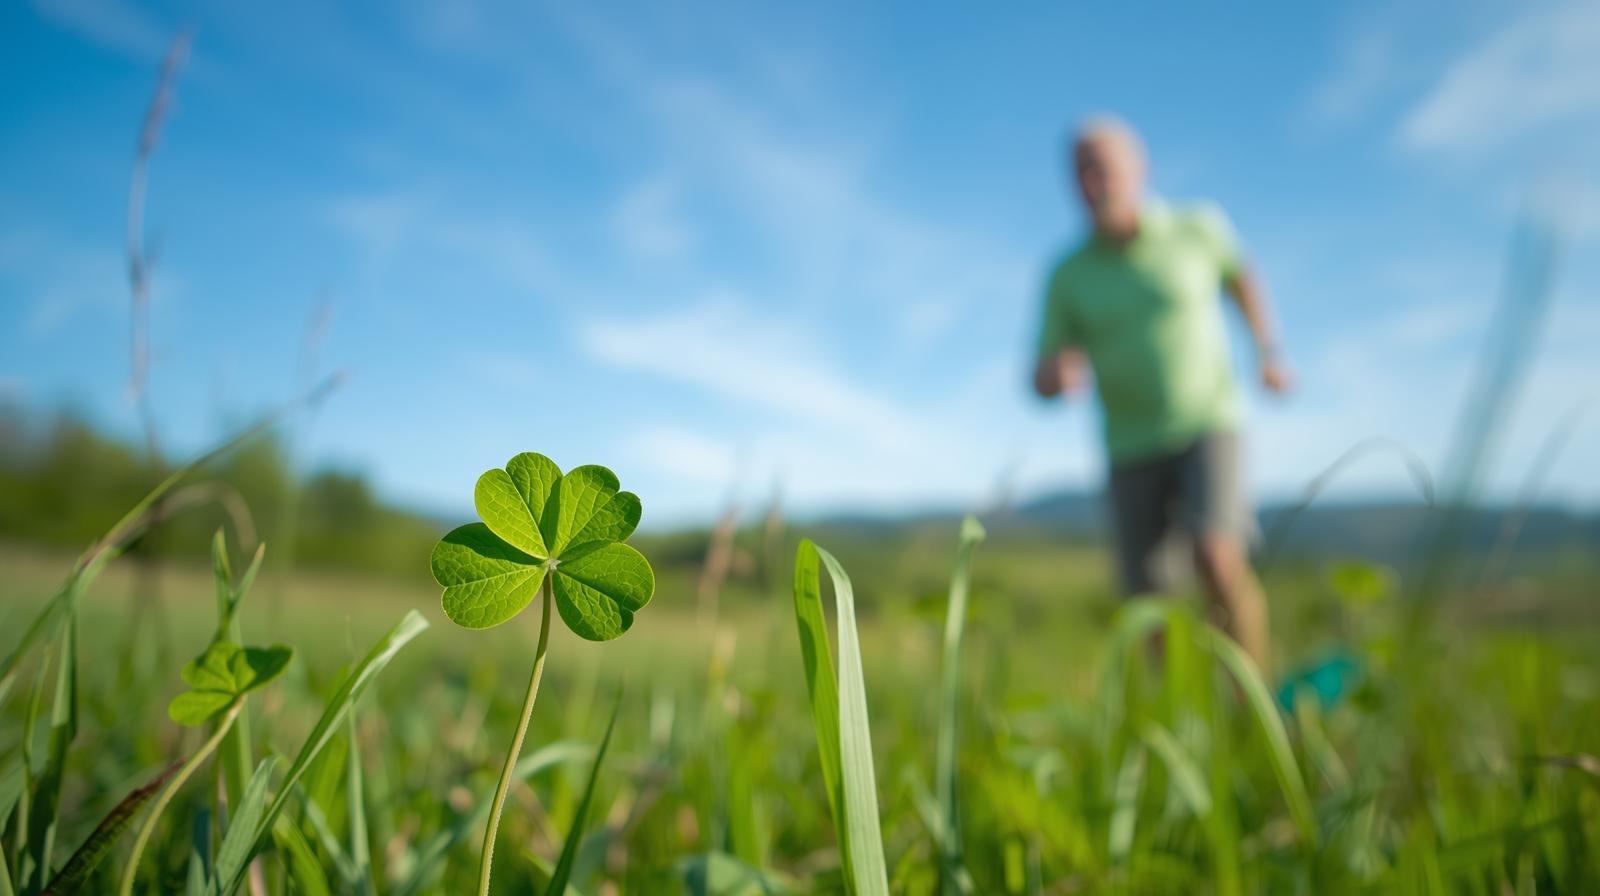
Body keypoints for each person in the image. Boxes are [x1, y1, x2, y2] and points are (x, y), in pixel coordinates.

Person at [1033, 116, 1290, 671]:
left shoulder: (1197, 228)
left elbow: (1241, 276)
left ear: (1138, 169)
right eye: (1079, 173)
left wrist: (1268, 350)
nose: (1091, 184)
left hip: (1207, 419)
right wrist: (1057, 375)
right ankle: (1176, 718)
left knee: (1218, 557)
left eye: (1101, 168)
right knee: (1148, 599)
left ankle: (1252, 701)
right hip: (1128, 443)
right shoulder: (1068, 274)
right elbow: (1040, 372)